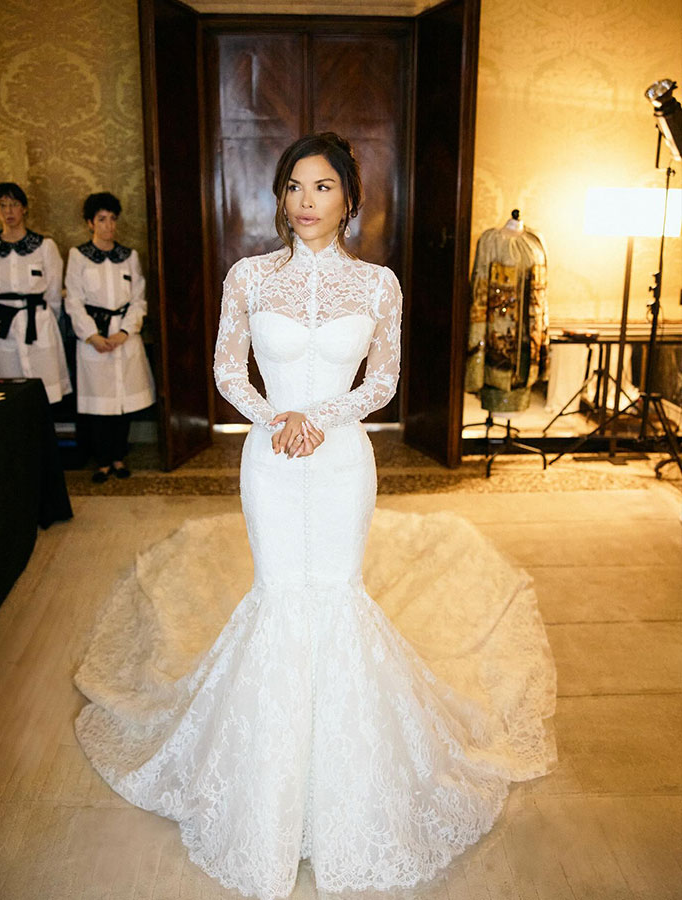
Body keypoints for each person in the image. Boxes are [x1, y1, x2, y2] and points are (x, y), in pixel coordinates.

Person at [73, 134, 557, 899]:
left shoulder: (377, 285)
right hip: (270, 459)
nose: (304, 201)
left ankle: (345, 791)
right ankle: (267, 794)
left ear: (350, 199)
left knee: (335, 597)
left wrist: (318, 418)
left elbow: (387, 379)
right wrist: (276, 420)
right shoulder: (248, 277)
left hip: (338, 463)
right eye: (293, 186)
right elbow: (227, 367)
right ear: (280, 197)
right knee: (279, 598)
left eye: (322, 187)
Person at [64, 192, 155, 483]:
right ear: (90, 223)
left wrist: (125, 332)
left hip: (124, 337)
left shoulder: (129, 257)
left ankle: (118, 457)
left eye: (112, 219)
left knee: (122, 403)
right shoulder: (78, 256)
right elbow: (74, 301)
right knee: (99, 405)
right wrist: (92, 335)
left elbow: (139, 300)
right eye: (102, 220)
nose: (108, 226)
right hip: (93, 339)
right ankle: (102, 461)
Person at [0, 182, 71, 404]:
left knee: (43, 392)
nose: (8, 211)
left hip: (37, 320)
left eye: (14, 205)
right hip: (2, 324)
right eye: (2, 205)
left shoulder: (44, 246)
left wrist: (44, 316)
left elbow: (52, 291)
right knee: (4, 394)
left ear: (24, 208)